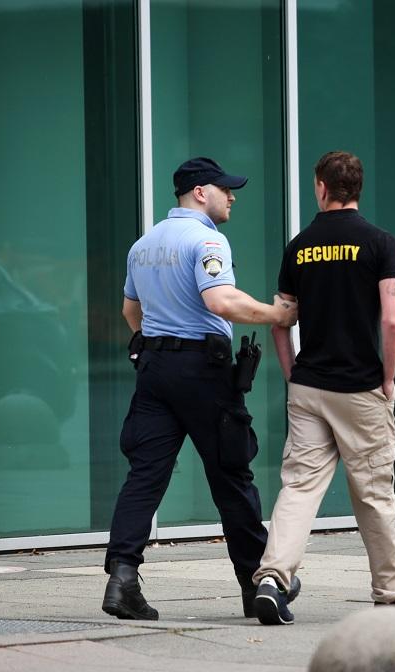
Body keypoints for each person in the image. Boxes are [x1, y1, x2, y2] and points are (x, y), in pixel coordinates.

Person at [101, 157, 297, 621]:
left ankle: (122, 579)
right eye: (225, 189)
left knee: (145, 475)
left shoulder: (144, 244)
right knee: (232, 475)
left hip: (154, 370)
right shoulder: (208, 239)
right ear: (199, 192)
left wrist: (154, 346)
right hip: (202, 372)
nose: (232, 197)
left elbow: (132, 312)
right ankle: (256, 585)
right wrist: (278, 316)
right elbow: (221, 301)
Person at [252, 151, 395, 625]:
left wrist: (293, 378)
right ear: (357, 189)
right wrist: (387, 377)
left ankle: (272, 580)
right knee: (372, 494)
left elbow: (280, 323)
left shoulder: (299, 246)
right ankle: (393, 595)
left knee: (299, 488)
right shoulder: (379, 243)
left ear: (321, 188)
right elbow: (390, 320)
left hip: (309, 385)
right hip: (360, 388)